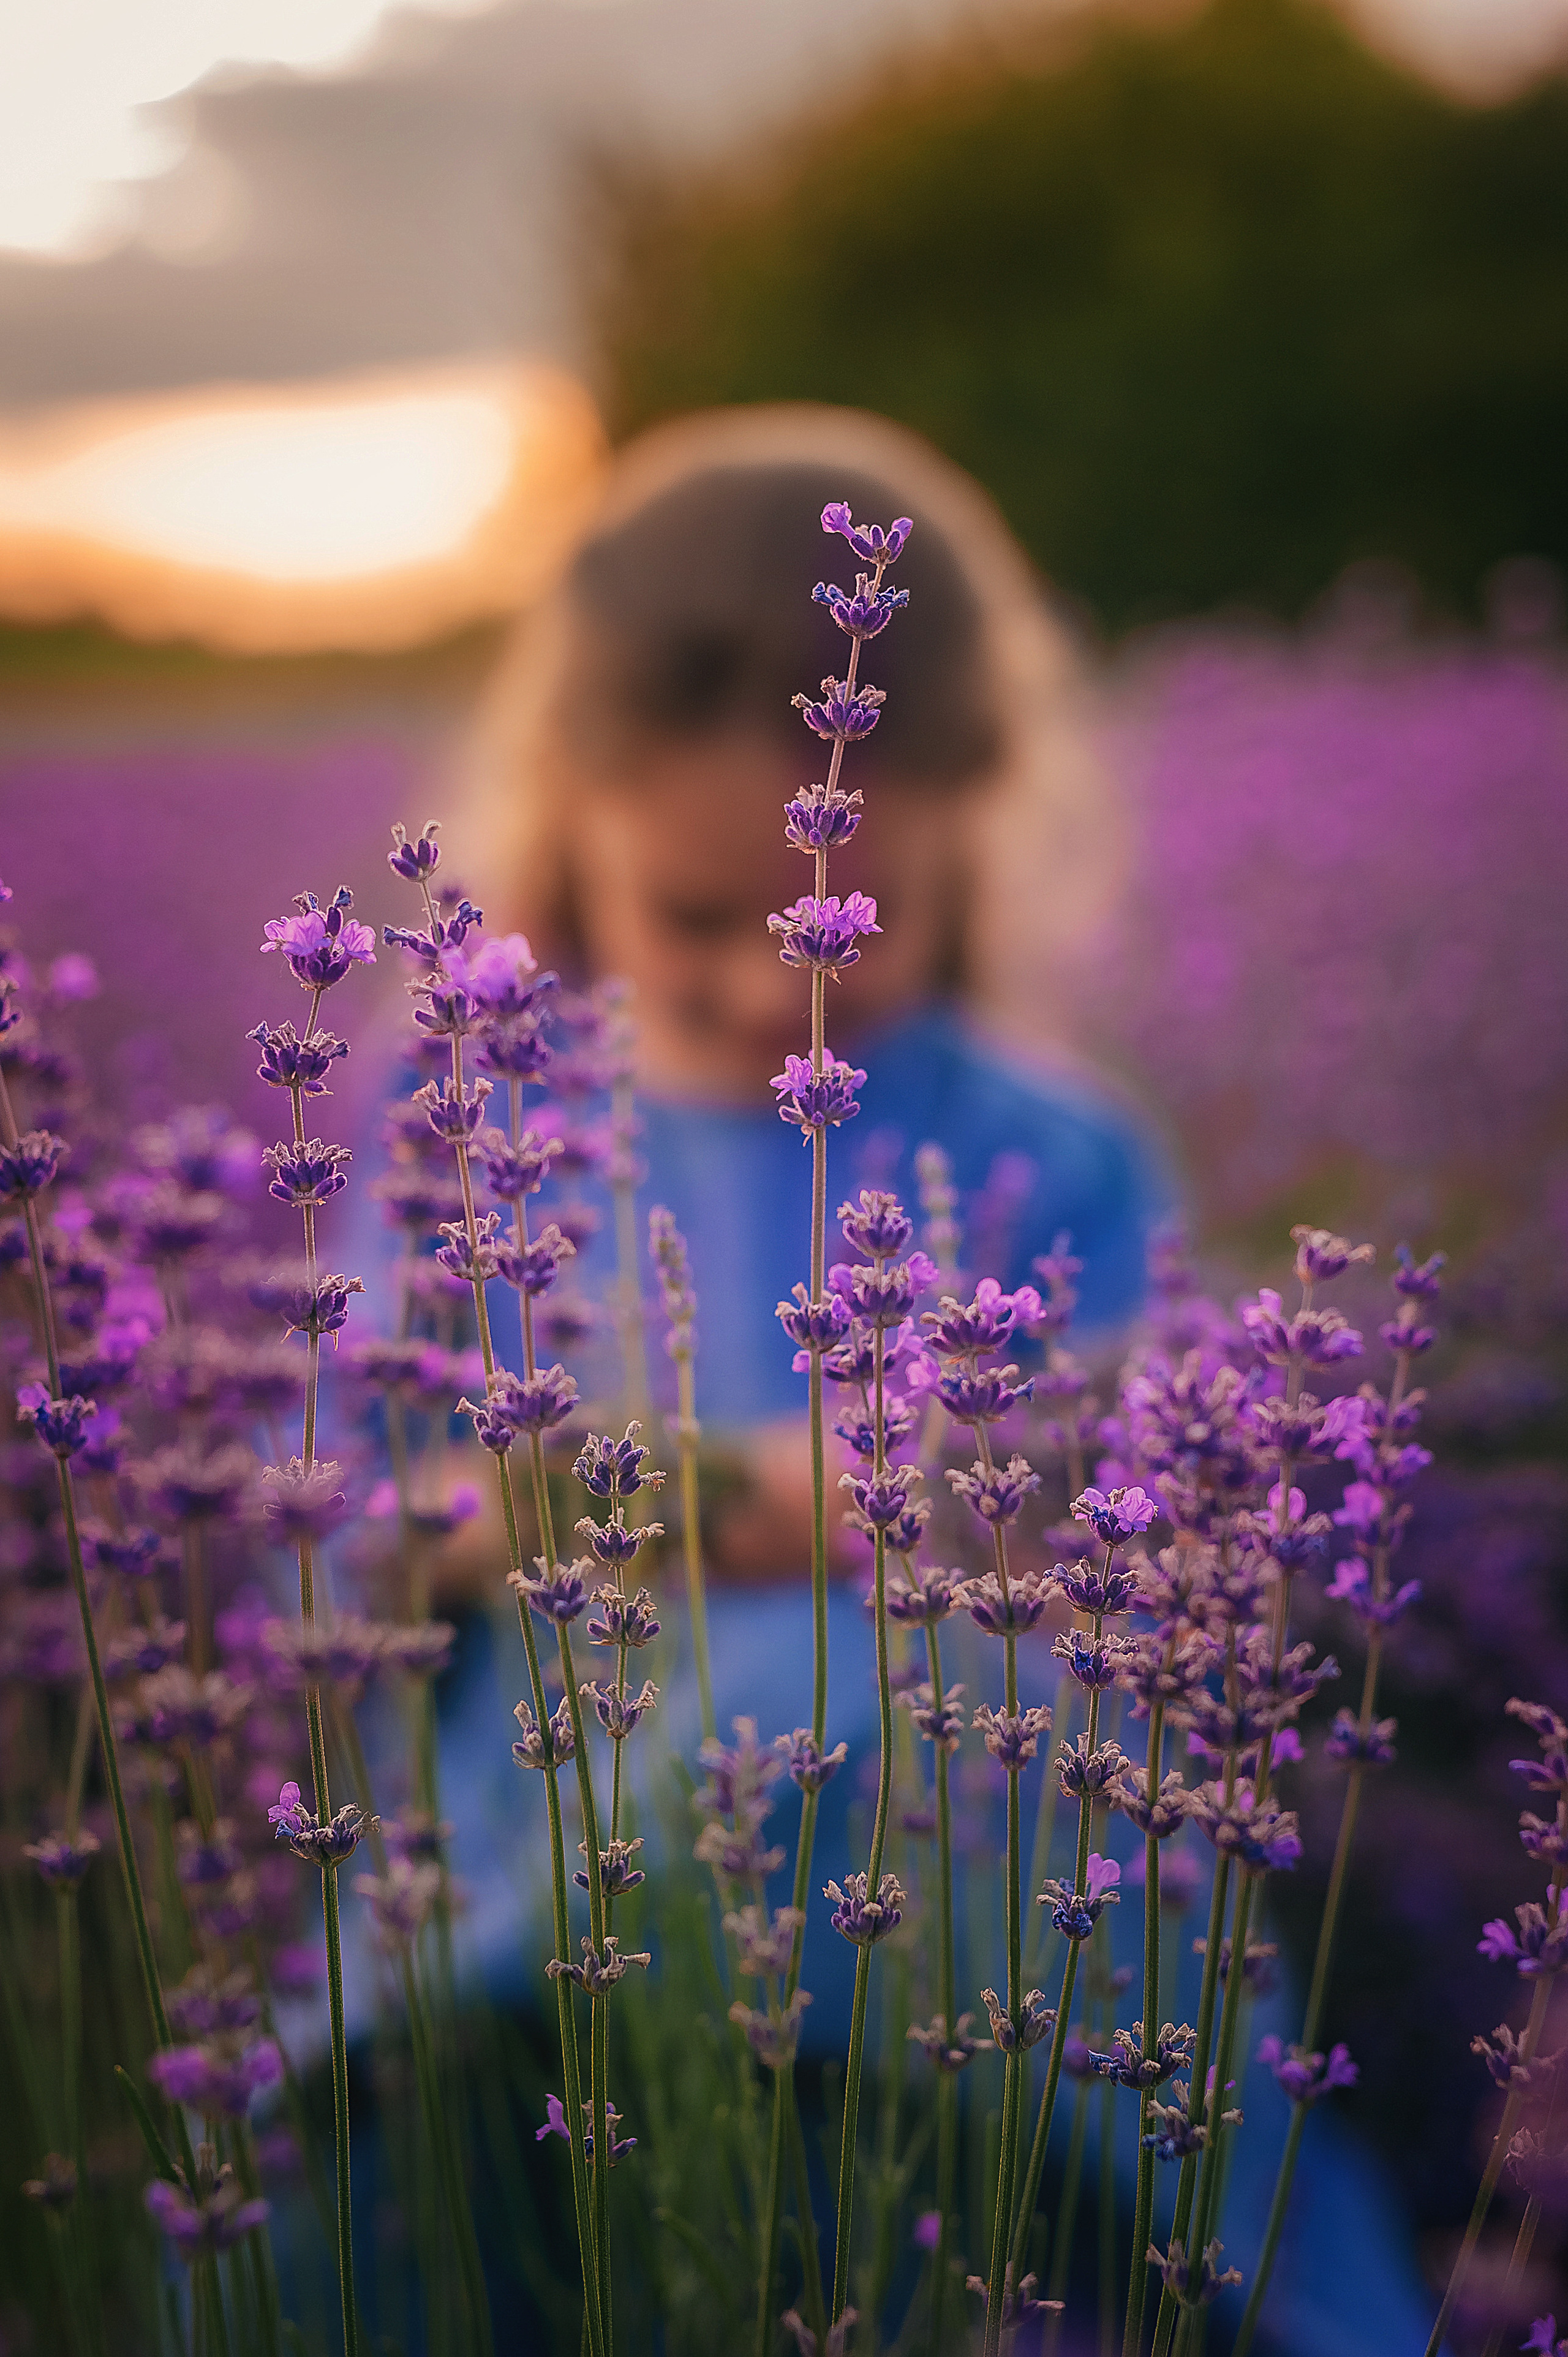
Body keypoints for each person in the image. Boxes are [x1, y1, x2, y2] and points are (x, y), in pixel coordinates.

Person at [446, 401, 1172, 1573]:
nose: (776, 994)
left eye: (849, 920)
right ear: (571, 817)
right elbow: (352, 1529)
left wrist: (924, 1495)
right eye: (695, 916)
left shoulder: (1060, 1153)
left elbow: (1153, 1512)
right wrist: (684, 1510)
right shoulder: (477, 1130)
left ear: (968, 833)